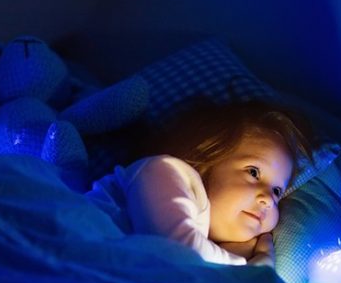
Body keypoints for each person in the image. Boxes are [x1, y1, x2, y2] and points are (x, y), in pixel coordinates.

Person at [86, 100, 313, 267]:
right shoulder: (163, 170)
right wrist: (253, 264)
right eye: (253, 172)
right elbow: (177, 253)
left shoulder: (207, 238)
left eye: (277, 191)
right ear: (207, 155)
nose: (268, 200)